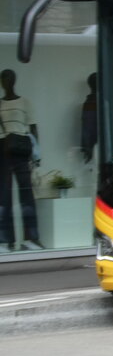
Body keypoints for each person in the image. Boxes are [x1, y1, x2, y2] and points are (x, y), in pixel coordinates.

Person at [0, 68, 42, 252]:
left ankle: (31, 238)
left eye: (9, 78)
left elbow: (32, 128)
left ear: (14, 80)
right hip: (3, 150)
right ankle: (5, 240)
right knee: (4, 196)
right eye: (4, 79)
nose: (7, 82)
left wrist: (37, 154)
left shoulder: (25, 102)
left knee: (27, 195)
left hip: (21, 150)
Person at [80, 72, 97, 163]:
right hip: (98, 146)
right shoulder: (91, 103)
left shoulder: (91, 102)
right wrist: (87, 147)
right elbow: (87, 128)